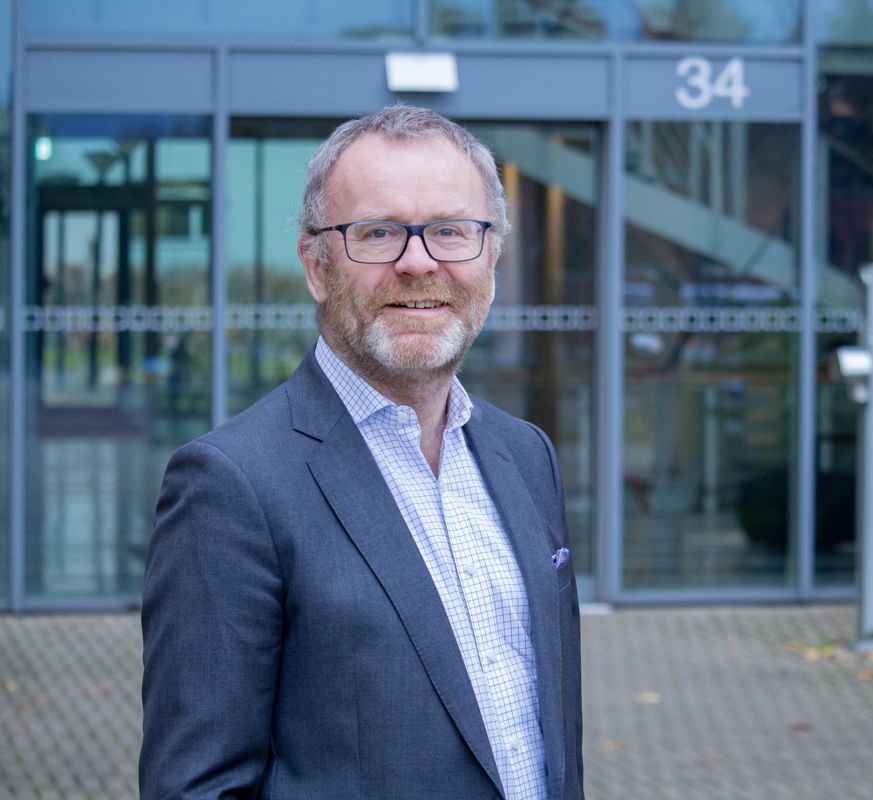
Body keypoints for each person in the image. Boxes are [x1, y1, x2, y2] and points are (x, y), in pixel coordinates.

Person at [139, 103, 583, 800]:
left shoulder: (525, 457)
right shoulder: (231, 486)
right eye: (376, 233)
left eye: (451, 231)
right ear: (316, 266)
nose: (418, 262)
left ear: (490, 256)